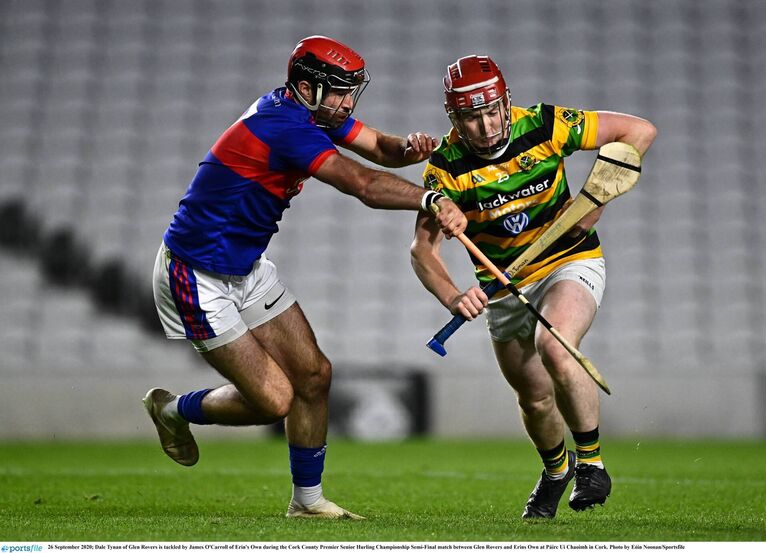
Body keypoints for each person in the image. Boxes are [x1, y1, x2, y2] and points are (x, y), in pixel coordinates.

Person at [143, 35, 466, 520]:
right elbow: (361, 185)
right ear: (304, 86)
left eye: (350, 91)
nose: (346, 102)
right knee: (275, 400)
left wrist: (412, 149)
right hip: (196, 274)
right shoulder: (283, 125)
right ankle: (172, 410)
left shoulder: (312, 113)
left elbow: (378, 148)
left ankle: (307, 503)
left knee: (315, 375)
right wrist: (430, 199)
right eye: (338, 91)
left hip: (245, 267)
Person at [410, 55, 656, 519]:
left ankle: (592, 464)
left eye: (490, 112)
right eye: (470, 117)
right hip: (504, 289)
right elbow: (422, 252)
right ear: (454, 118)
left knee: (557, 345)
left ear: (505, 103)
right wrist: (453, 295)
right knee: (535, 397)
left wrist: (594, 202)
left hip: (569, 261)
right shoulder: (444, 169)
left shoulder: (545, 125)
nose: (484, 127)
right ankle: (556, 471)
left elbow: (639, 131)